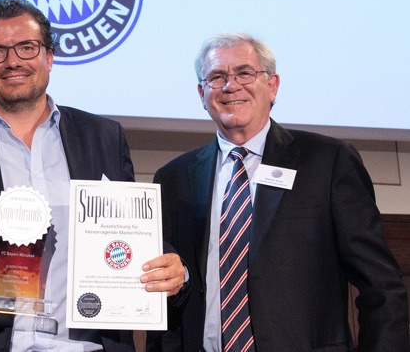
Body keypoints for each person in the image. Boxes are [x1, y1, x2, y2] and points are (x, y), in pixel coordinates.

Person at [0, 0, 185, 351]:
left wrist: (174, 271)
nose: (13, 62)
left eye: (27, 47)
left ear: (49, 56)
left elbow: (131, 237)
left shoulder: (103, 138)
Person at [150, 32, 409, 351]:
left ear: (272, 86)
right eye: (217, 77)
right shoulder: (174, 178)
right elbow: (169, 293)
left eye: (245, 72)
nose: (231, 86)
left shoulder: (328, 161)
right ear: (202, 94)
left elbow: (380, 286)